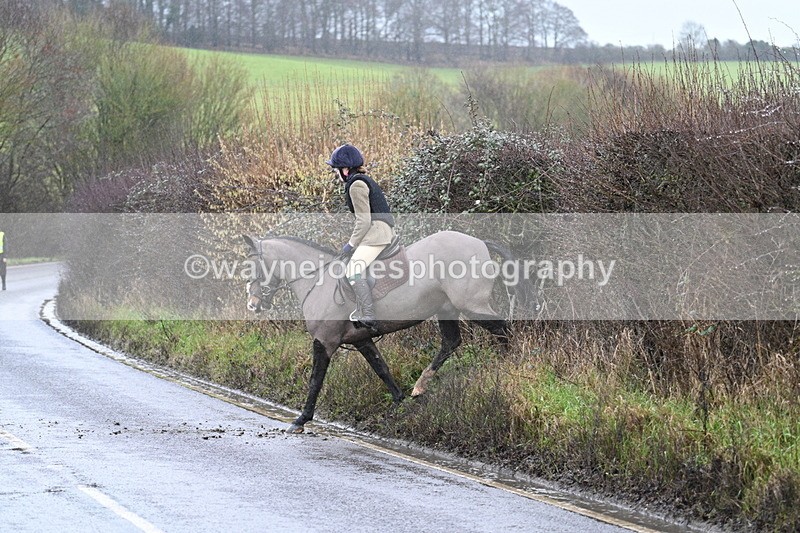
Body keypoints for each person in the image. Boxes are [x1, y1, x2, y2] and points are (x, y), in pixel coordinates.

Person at [327, 144, 396, 329]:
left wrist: (350, 245)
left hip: (376, 233)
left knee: (353, 270)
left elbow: (363, 221)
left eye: (336, 170)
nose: (336, 175)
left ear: (345, 169)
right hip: (379, 230)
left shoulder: (356, 185)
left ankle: (368, 314)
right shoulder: (362, 180)